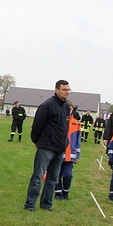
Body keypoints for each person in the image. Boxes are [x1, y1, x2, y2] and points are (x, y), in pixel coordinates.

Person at [24, 80, 71, 211]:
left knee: (53, 179)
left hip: (59, 148)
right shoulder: (47, 106)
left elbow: (64, 127)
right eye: (64, 89)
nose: (67, 92)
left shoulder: (66, 107)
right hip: (46, 147)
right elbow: (37, 125)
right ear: (56, 90)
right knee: (38, 177)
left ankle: (46, 204)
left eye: (68, 90)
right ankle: (30, 205)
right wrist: (36, 141)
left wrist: (65, 143)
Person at [54, 101, 81, 200]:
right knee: (56, 175)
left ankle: (65, 192)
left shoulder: (76, 123)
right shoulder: (57, 120)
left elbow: (78, 141)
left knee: (68, 175)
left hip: (70, 156)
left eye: (70, 108)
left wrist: (77, 155)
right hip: (58, 153)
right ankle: (57, 193)